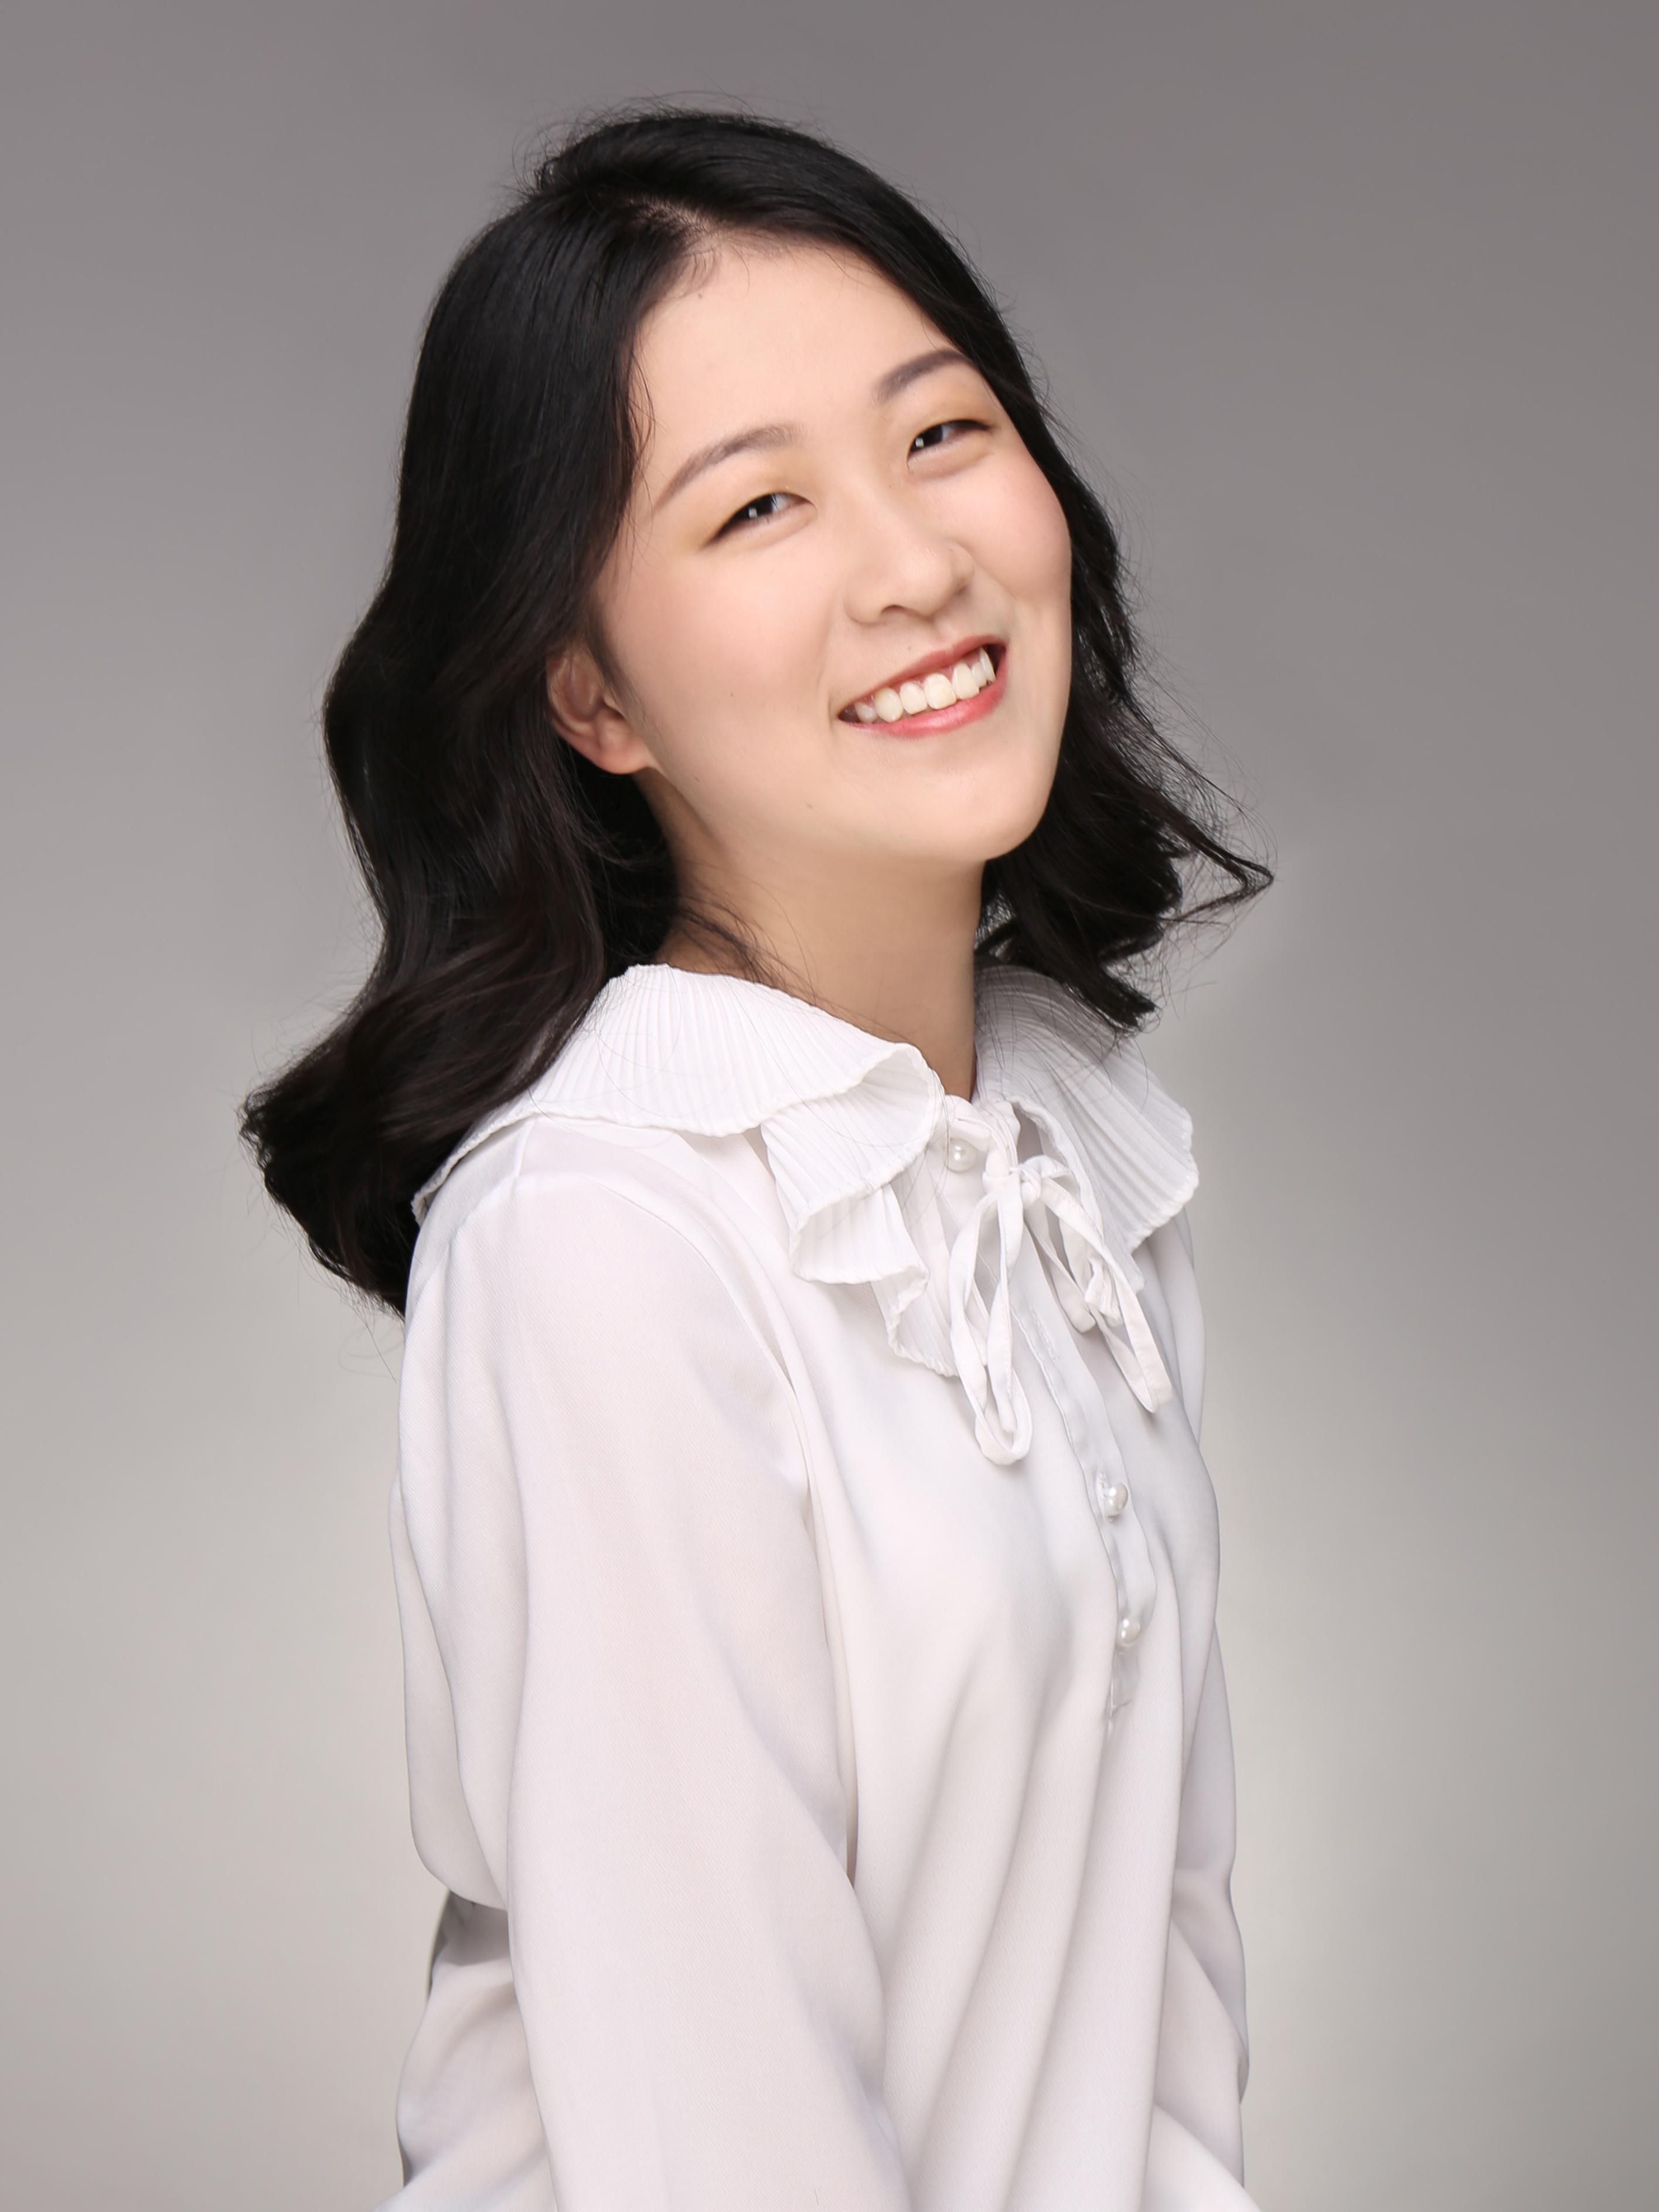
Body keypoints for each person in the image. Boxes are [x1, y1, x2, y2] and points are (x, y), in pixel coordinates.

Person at [243, 101, 1270, 2212]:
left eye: (943, 432)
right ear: (590, 695)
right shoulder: (610, 1232)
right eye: (761, 507)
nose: (916, 566)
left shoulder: (1060, 1172)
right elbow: (720, 2135)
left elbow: (1163, 2014)